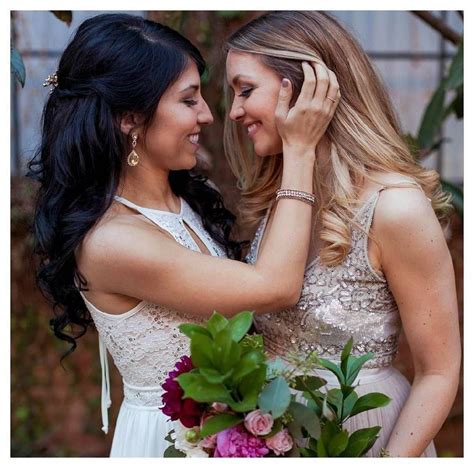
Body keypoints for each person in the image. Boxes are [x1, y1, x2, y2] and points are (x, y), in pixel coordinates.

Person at [28, 13, 339, 457]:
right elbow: (276, 287)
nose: (208, 115)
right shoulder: (113, 241)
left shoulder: (190, 198)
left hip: (226, 432)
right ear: (130, 118)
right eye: (188, 100)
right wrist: (301, 149)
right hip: (168, 441)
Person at [224, 11, 461, 457]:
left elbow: (440, 370)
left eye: (246, 90)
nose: (234, 111)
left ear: (309, 86)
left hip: (364, 436)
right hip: (272, 435)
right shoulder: (284, 196)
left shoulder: (395, 207)